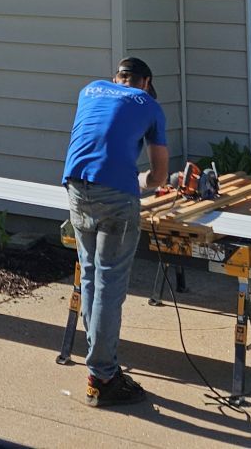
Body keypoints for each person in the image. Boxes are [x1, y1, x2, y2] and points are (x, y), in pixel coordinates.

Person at [63, 56, 169, 408]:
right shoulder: (150, 105)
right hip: (116, 199)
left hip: (77, 188)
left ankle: (100, 367)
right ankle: (104, 375)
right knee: (108, 283)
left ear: (116, 77)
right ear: (146, 82)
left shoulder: (89, 90)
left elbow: (100, 143)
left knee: (91, 276)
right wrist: (147, 184)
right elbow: (158, 177)